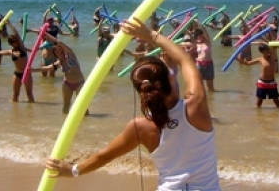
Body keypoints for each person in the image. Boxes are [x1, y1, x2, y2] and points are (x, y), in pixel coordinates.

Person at [44, 17, 221, 190]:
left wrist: (73, 170)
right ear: (171, 78)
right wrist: (150, 35)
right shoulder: (195, 105)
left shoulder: (141, 126)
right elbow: (185, 60)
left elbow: (105, 155)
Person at [0, 25, 35, 103]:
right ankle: (15, 112)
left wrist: (9, 23)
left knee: (29, 94)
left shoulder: (22, 48)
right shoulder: (11, 52)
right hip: (17, 74)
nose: (14, 43)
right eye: (11, 42)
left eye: (14, 41)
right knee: (15, 95)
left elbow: (16, 33)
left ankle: (31, 111)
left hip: (26, 73)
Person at [41, 35, 85, 114]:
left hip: (79, 83)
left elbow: (59, 42)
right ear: (55, 54)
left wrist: (47, 34)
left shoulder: (71, 55)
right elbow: (46, 68)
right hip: (67, 84)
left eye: (60, 50)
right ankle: (64, 121)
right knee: (66, 105)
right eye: (57, 51)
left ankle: (86, 122)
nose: (59, 52)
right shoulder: (59, 63)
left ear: (63, 50)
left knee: (82, 105)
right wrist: (31, 70)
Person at [238, 43, 279, 108]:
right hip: (262, 83)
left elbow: (275, 47)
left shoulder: (272, 57)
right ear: (262, 52)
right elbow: (248, 63)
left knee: (276, 101)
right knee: (259, 101)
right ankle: (258, 115)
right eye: (266, 51)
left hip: (272, 82)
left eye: (268, 50)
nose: (268, 52)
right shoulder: (260, 59)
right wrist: (238, 59)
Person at [192, 26, 215, 92]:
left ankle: (211, 98)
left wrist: (199, 25)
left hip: (208, 64)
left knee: (210, 85)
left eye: (202, 35)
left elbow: (206, 33)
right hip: (199, 64)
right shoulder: (196, 43)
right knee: (199, 84)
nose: (201, 37)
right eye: (199, 36)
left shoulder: (208, 42)